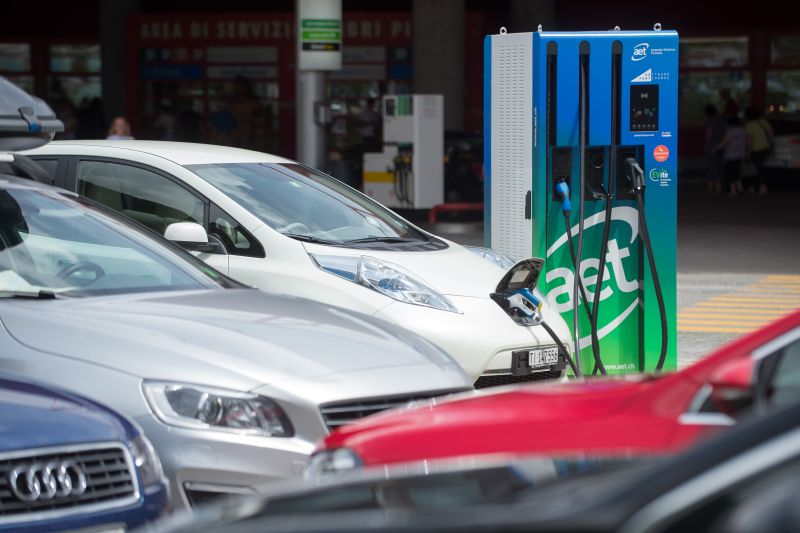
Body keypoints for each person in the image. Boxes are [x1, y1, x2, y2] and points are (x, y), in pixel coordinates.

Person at [713, 116, 748, 197]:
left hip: (731, 155)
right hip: (740, 154)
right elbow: (748, 141)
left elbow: (724, 142)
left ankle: (733, 190)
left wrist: (715, 149)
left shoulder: (730, 131)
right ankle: (740, 188)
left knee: (731, 173)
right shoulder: (743, 131)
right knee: (737, 172)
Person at [744, 106, 774, 195]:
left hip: (756, 149)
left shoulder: (749, 125)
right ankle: (753, 187)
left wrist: (748, 152)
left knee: (756, 169)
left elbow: (749, 140)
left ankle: (762, 187)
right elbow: (771, 133)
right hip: (766, 148)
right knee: (758, 168)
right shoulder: (763, 122)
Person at [704, 104, 727, 194]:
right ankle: (714, 186)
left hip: (713, 146)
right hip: (723, 145)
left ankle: (716, 187)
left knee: (712, 166)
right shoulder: (722, 120)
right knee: (719, 166)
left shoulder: (709, 121)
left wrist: (707, 144)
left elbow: (709, 134)